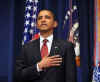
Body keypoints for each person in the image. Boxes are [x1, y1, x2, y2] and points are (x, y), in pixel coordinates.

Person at [15, 9, 76, 82]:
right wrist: (39, 66)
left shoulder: (67, 46)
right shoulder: (26, 47)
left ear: (55, 24)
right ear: (37, 25)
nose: (43, 20)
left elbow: (71, 77)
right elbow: (18, 75)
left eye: (47, 17)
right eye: (40, 18)